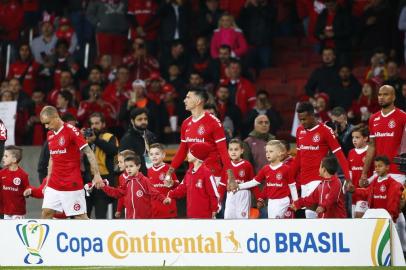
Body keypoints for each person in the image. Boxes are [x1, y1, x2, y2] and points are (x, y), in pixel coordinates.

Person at [39, 106, 104, 219]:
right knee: (46, 213)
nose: (46, 126)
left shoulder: (72, 131)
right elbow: (52, 158)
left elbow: (89, 152)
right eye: (44, 124)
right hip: (54, 183)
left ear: (56, 117)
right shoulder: (50, 134)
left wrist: (97, 174)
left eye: (47, 123)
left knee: (80, 217)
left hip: (71, 183)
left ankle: (94, 236)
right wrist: (48, 181)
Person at [165, 87, 234, 188]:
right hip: (193, 173)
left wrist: (231, 178)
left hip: (212, 174)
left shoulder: (214, 123)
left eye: (188, 97)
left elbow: (223, 152)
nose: (185, 100)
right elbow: (182, 150)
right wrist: (170, 172)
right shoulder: (186, 123)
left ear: (198, 101)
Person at [292, 101, 351, 218]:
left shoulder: (325, 130)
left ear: (312, 115)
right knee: (309, 215)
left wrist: (348, 177)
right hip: (304, 180)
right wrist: (290, 177)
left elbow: (339, 154)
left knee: (314, 212)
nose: (302, 123)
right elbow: (299, 157)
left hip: (319, 179)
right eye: (300, 120)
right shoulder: (300, 131)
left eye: (304, 119)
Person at [234, 140, 298, 219]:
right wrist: (238, 186)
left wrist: (296, 202)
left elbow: (292, 186)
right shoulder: (265, 169)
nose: (267, 153)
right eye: (266, 151)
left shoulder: (286, 169)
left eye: (271, 151)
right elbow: (254, 182)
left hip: (283, 201)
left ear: (280, 153)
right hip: (270, 201)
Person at [361, 85, 406, 186]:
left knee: (396, 202)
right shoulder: (373, 118)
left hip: (397, 172)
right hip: (378, 171)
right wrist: (364, 172)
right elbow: (372, 146)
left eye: (386, 94)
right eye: (379, 95)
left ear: (393, 97)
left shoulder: (403, 117)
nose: (381, 97)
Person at [164, 142, 220, 219]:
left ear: (197, 155)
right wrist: (171, 194)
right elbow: (182, 188)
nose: (188, 154)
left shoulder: (207, 173)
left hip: (205, 217)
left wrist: (214, 209)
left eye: (190, 152)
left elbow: (214, 194)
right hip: (191, 215)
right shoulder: (189, 172)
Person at [102, 155, 165, 219]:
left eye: (131, 166)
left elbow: (154, 192)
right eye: (126, 167)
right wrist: (104, 187)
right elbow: (117, 193)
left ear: (138, 166)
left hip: (145, 220)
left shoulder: (144, 180)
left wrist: (164, 199)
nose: (128, 169)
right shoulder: (126, 182)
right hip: (130, 220)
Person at [82, 112, 118, 219]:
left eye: (97, 123)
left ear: (103, 124)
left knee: (100, 215)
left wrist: (96, 140)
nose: (94, 126)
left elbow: (112, 151)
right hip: (88, 180)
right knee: (84, 215)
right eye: (92, 124)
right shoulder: (85, 138)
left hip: (104, 180)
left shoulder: (109, 137)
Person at [350, 156, 403, 222]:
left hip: (388, 217)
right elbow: (367, 192)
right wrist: (354, 190)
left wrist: (391, 216)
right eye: (376, 166)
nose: (377, 168)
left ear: (387, 167)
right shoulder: (375, 181)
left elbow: (393, 202)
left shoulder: (393, 184)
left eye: (380, 166)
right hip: (376, 216)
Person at [218, 139, 254, 219]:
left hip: (243, 195)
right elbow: (222, 184)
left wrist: (259, 198)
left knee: (242, 221)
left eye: (236, 149)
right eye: (231, 149)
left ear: (242, 151)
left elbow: (253, 183)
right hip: (230, 195)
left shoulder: (247, 165)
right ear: (228, 151)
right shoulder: (226, 166)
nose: (233, 152)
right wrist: (218, 200)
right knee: (228, 219)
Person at [119, 108, 157, 175]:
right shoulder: (127, 139)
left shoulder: (151, 135)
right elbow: (124, 162)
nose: (143, 122)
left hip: (152, 174)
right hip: (136, 177)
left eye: (145, 119)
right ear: (132, 121)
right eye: (140, 119)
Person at [147, 143, 179, 218]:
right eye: (151, 154)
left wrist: (172, 183)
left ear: (163, 155)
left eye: (157, 154)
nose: (154, 156)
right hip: (154, 210)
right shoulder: (148, 171)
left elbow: (178, 186)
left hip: (168, 209)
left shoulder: (169, 169)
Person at [348, 126, 371, 218]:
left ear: (365, 138)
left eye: (357, 137)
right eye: (353, 137)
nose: (354, 140)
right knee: (354, 219)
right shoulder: (351, 152)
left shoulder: (370, 152)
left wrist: (367, 181)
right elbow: (350, 171)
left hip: (365, 192)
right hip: (354, 192)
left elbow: (376, 172)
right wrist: (347, 182)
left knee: (359, 216)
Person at [0, 146, 29, 219]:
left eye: (6, 156)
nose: (3, 158)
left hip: (18, 212)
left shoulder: (23, 175)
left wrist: (27, 192)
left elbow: (27, 189)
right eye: (3, 155)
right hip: (6, 211)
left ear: (14, 159)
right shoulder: (1, 173)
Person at [114, 150, 136, 219]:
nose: (118, 164)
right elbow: (121, 195)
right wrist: (118, 210)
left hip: (139, 209)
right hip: (127, 209)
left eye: (120, 162)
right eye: (118, 162)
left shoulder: (138, 176)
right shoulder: (121, 177)